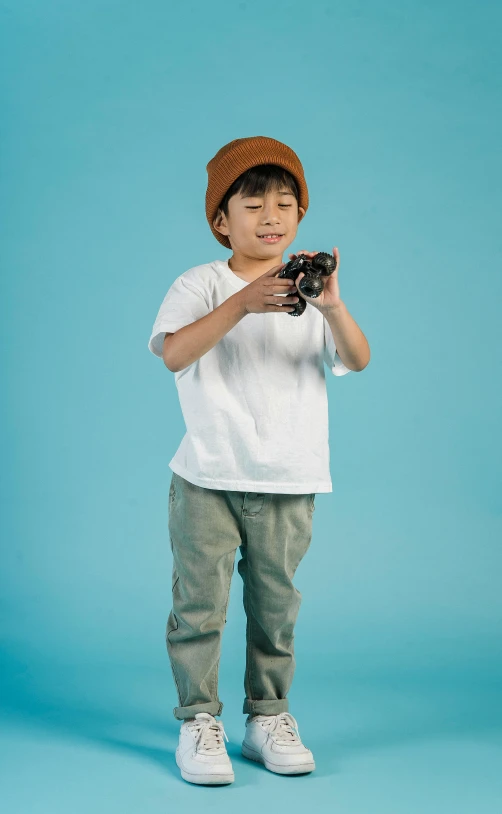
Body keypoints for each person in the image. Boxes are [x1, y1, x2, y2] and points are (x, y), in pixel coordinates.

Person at [147, 136, 370, 785]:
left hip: (288, 478)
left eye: (285, 203)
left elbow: (356, 358)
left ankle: (266, 715)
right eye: (253, 204)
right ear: (221, 220)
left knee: (276, 607)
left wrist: (331, 304)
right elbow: (174, 353)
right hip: (207, 476)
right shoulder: (201, 283)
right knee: (200, 606)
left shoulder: (309, 292)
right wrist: (242, 303)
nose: (272, 216)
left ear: (300, 215)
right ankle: (198, 719)